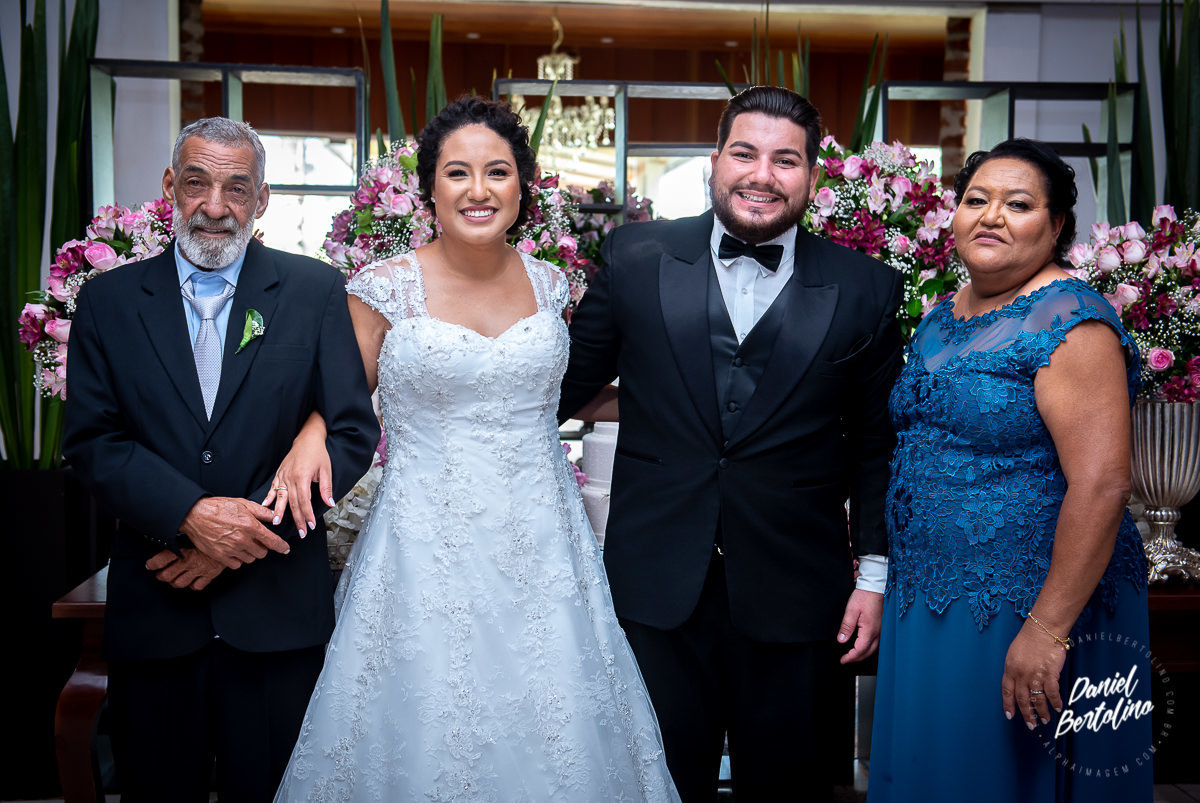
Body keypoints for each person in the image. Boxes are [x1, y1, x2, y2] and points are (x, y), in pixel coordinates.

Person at [271, 96, 680, 801]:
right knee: (430, 718)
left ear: (522, 185)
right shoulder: (382, 288)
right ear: (430, 187)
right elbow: (336, 400)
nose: (478, 189)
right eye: (458, 172)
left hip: (545, 547)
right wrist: (311, 431)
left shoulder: (555, 285)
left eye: (497, 172)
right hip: (424, 548)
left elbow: (569, 395)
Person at [557, 85, 905, 801]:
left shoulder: (866, 287)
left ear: (812, 177)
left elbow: (878, 444)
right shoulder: (635, 256)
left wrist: (873, 577)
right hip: (654, 583)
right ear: (714, 161)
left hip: (798, 590)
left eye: (786, 160)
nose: (761, 174)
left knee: (790, 785)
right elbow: (553, 392)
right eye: (744, 152)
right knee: (650, 782)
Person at [62, 118, 380, 801]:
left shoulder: (313, 292)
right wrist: (189, 514)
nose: (215, 206)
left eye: (237, 188)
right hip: (158, 606)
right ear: (171, 186)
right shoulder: (108, 301)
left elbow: (350, 431)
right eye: (198, 183)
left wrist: (237, 539)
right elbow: (91, 441)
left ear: (261, 200)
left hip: (275, 616)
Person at [867, 139, 1153, 802]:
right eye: (976, 199)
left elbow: (1104, 480)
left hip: (1025, 604)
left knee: (998, 775)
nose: (991, 215)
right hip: (935, 597)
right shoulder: (945, 313)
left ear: (1055, 227)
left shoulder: (1071, 320)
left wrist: (1048, 627)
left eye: (1018, 204)